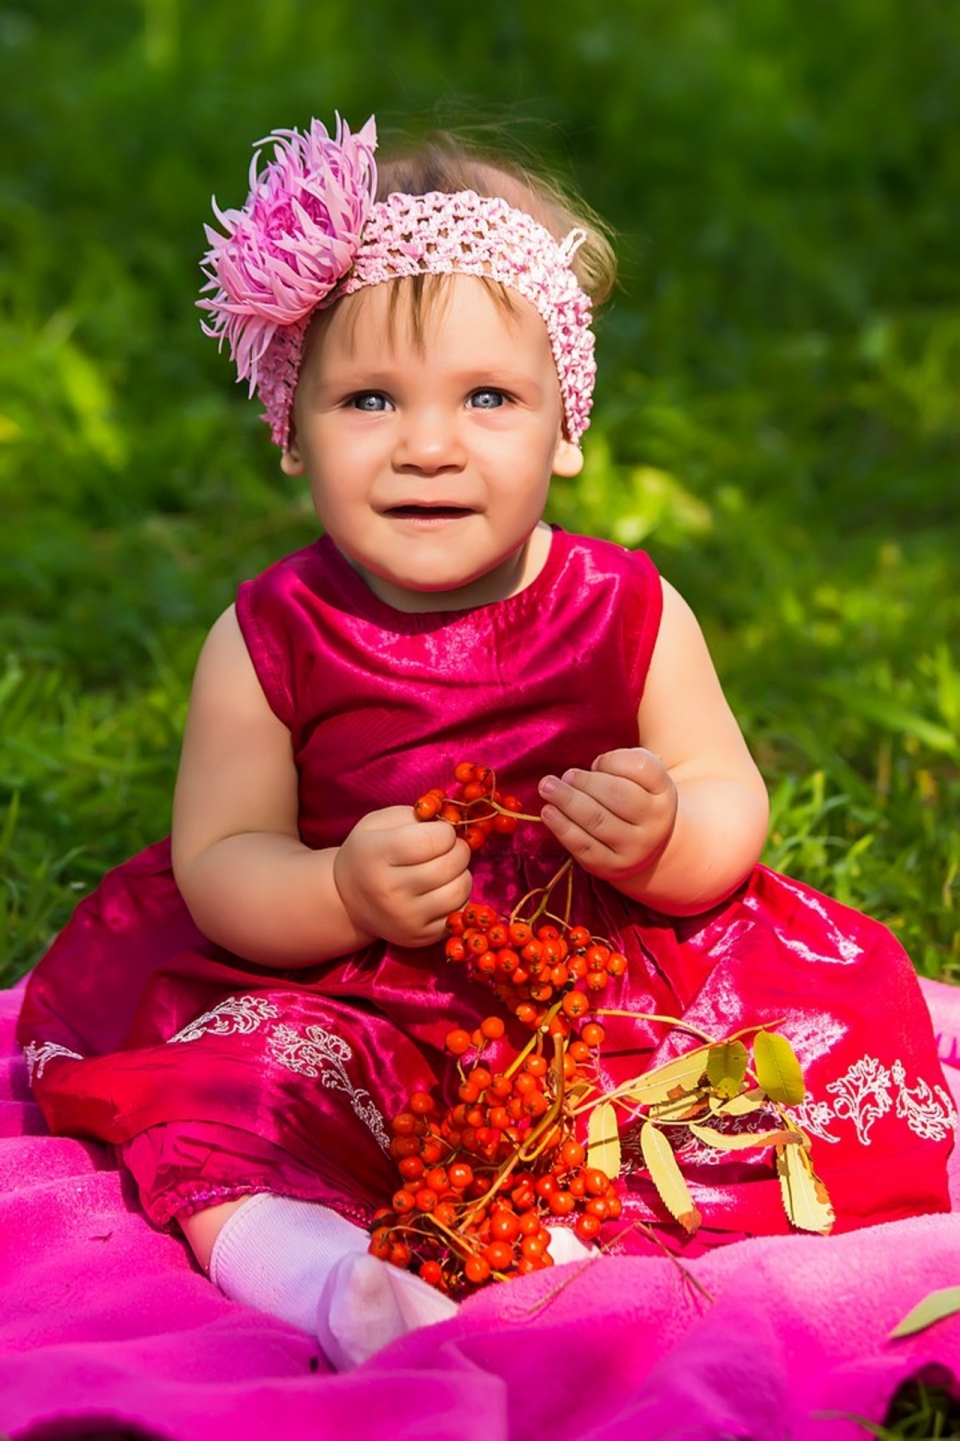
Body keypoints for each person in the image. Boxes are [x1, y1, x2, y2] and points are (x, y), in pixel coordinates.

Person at [17, 115, 954, 1370]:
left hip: (599, 976)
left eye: (488, 398)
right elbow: (221, 861)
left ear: (566, 427)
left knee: (783, 1059)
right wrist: (338, 885)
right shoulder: (271, 638)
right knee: (224, 1094)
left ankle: (577, 1248)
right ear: (292, 431)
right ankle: (315, 1271)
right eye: (369, 400)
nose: (428, 443)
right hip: (353, 993)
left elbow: (730, 795)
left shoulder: (628, 609)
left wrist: (667, 835)